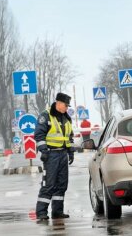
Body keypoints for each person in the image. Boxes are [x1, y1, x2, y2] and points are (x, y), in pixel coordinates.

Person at [35, 93, 75, 221]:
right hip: (51, 155)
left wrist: (70, 151)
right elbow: (39, 135)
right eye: (65, 105)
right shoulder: (45, 116)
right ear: (58, 103)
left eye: (68, 106)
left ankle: (57, 211)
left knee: (62, 185)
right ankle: (41, 213)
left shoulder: (66, 118)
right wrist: (44, 151)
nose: (67, 108)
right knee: (48, 184)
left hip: (63, 154)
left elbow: (69, 137)